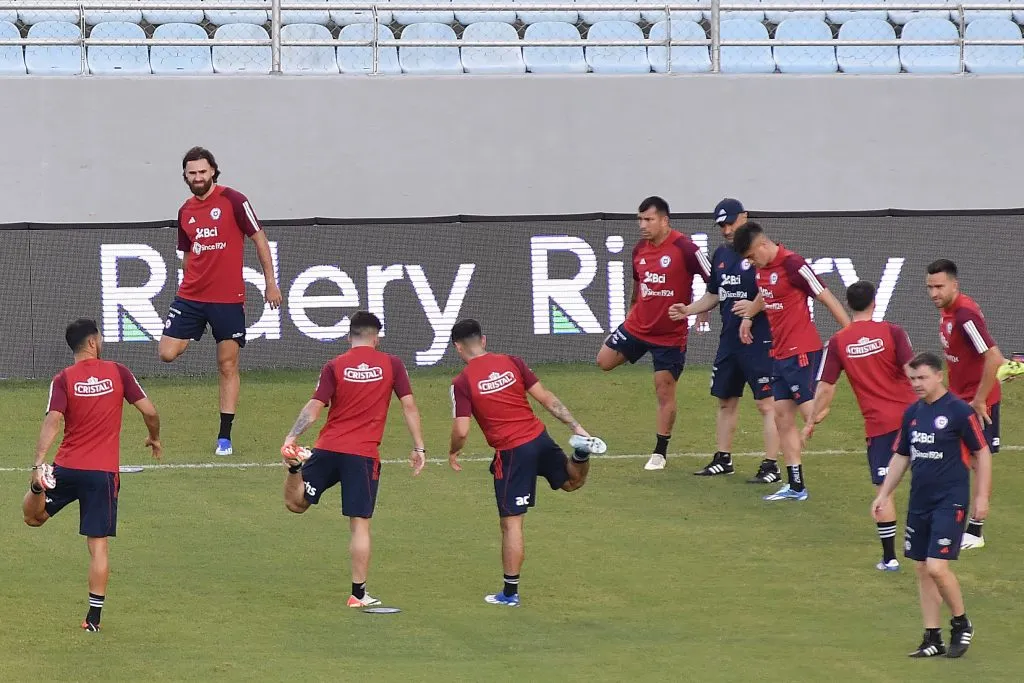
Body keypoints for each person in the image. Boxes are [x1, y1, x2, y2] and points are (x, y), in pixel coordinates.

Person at [449, 319, 606, 607]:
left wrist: (453, 452)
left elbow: (461, 430)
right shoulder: (512, 362)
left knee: (512, 524)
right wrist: (577, 428)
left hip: (512, 455)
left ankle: (509, 594)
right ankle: (581, 453)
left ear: (458, 348)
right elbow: (546, 399)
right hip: (539, 438)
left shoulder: (462, 382)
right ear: (483, 341)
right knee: (571, 482)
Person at [23, 318, 162, 632]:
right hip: (101, 473)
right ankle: (93, 619)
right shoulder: (119, 372)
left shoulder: (63, 379)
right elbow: (150, 412)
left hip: (67, 467)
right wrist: (154, 436)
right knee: (97, 546)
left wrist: (38, 462)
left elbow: (53, 421)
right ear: (92, 342)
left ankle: (37, 487)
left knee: (34, 517)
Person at [280, 311, 425, 609]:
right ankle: (358, 595)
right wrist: (418, 447)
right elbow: (409, 407)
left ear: (349, 337)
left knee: (296, 504)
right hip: (362, 456)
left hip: (328, 448)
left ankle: (296, 469)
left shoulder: (334, 366)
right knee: (360, 525)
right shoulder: (392, 364)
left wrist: (291, 436)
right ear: (377, 337)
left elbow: (315, 407)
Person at [159, 146, 283, 457]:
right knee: (167, 353)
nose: (198, 177)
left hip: (227, 300)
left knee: (227, 365)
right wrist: (189, 281)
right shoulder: (185, 211)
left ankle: (224, 436)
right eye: (192, 173)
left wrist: (270, 283)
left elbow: (259, 238)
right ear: (185, 177)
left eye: (203, 171)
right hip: (190, 296)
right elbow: (187, 255)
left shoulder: (234, 200)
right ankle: (191, 330)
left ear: (213, 171)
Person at [871, 352, 991, 659]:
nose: (916, 384)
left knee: (937, 567)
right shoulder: (912, 413)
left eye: (922, 378)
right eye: (912, 379)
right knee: (923, 568)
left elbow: (982, 453)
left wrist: (981, 497)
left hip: (950, 501)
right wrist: (884, 494)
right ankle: (932, 637)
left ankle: (961, 622)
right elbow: (901, 456)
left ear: (939, 375)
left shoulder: (959, 412)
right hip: (919, 501)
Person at [732, 222, 851, 501]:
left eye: (751, 255)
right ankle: (796, 486)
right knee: (782, 416)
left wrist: (851, 333)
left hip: (802, 352)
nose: (750, 262)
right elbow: (766, 291)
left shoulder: (794, 264)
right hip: (780, 353)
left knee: (812, 413)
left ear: (763, 245)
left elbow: (826, 297)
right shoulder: (763, 269)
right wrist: (750, 315)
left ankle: (823, 400)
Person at [802, 281, 916, 571]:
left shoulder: (839, 342)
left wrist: (812, 420)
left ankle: (889, 557)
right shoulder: (893, 332)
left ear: (849, 305)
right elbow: (914, 374)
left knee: (884, 490)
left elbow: (825, 387)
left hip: (879, 428)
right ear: (874, 303)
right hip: (912, 419)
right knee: (927, 481)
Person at [670, 198, 781, 483]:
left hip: (760, 339)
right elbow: (714, 294)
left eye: (731, 222)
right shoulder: (720, 254)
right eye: (722, 225)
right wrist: (689, 309)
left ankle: (771, 465)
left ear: (744, 217)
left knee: (766, 404)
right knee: (725, 399)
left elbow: (775, 289)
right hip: (730, 339)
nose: (727, 229)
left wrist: (753, 309)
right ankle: (723, 458)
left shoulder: (764, 252)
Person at [596, 196, 711, 471]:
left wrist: (700, 310)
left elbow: (714, 281)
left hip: (669, 336)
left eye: (648, 219)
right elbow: (637, 285)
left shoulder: (685, 248)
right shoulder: (639, 250)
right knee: (604, 361)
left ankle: (660, 451)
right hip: (637, 327)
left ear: (664, 220)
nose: (642, 225)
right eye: (640, 220)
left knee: (663, 391)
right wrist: (631, 311)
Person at [926, 259, 1003, 550]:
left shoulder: (964, 315)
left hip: (976, 402)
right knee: (959, 457)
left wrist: (980, 399)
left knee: (976, 458)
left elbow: (993, 357)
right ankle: (958, 519)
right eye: (930, 287)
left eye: (939, 286)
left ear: (954, 285)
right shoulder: (950, 311)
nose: (934, 293)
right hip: (959, 399)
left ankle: (976, 528)